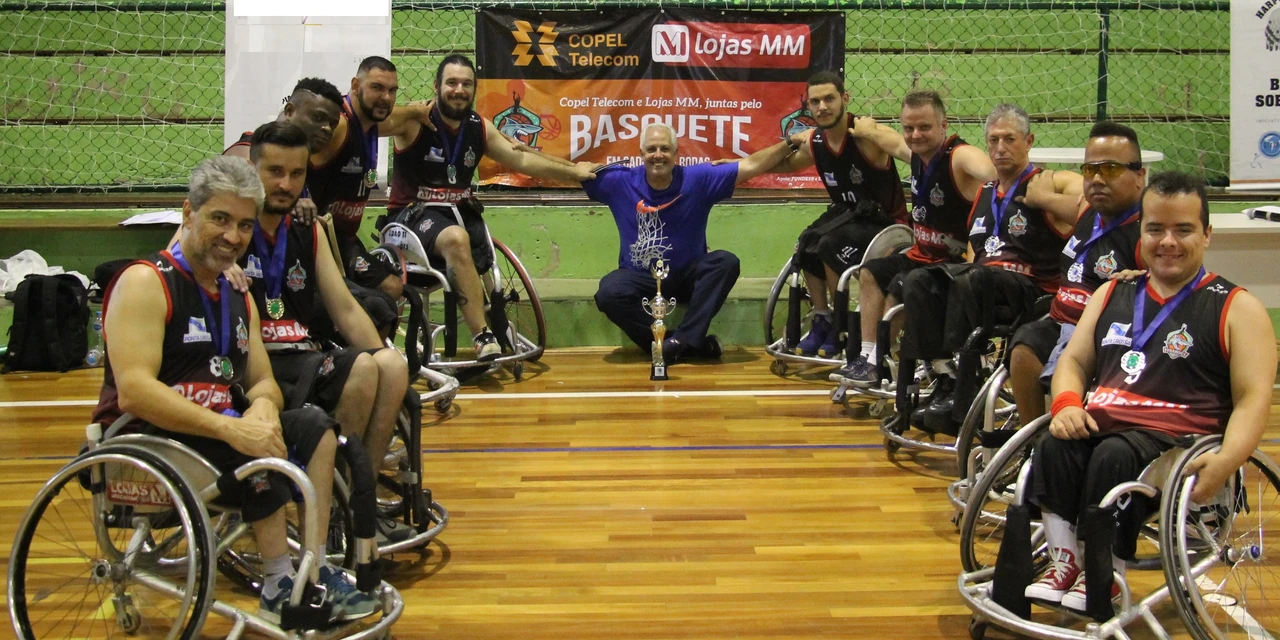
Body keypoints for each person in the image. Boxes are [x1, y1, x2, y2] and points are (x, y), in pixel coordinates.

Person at [91, 156, 378, 624]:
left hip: (214, 437)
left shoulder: (237, 293)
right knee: (255, 452)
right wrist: (232, 430)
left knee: (316, 428)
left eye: (245, 225)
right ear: (189, 213)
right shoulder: (146, 281)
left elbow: (262, 381)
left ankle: (315, 567)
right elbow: (135, 392)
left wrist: (262, 409)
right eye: (220, 219)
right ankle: (279, 584)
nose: (233, 236)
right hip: (148, 442)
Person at [1022, 171, 1275, 611]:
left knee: (1113, 455)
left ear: (1207, 234)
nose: (1168, 242)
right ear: (1141, 233)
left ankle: (1106, 571)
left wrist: (1226, 462)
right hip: (1104, 424)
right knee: (1054, 445)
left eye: (1183, 230)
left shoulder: (1238, 307)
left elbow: (1254, 399)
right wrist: (1065, 404)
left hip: (1175, 442)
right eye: (1156, 229)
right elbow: (1074, 362)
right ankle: (1065, 562)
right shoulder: (1111, 292)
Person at [240, 121, 412, 543]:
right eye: (275, 172)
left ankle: (356, 501)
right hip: (255, 364)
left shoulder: (307, 228)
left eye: (296, 174)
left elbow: (346, 309)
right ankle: (332, 510)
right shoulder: (232, 227)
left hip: (303, 355)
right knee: (362, 369)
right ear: (251, 170)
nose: (286, 184)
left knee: (390, 364)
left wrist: (383, 356)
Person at [387, 54, 596, 361]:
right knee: (457, 237)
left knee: (470, 237)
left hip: (458, 214)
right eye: (451, 83)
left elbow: (522, 158)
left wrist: (574, 173)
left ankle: (496, 321)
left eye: (466, 84)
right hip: (410, 218)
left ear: (474, 88)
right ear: (436, 86)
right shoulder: (414, 122)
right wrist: (411, 109)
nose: (459, 90)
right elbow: (376, 122)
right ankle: (482, 336)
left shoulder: (478, 127)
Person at [896, 103, 1082, 434]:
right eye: (993, 140)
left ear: (1029, 141)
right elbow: (974, 251)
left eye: (1009, 139)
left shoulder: (1049, 182)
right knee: (920, 279)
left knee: (973, 278)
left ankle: (964, 394)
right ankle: (944, 379)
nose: (1000, 148)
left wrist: (1045, 200)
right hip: (982, 283)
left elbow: (1093, 209)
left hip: (1032, 289)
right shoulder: (984, 192)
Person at [586, 122, 800, 364]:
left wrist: (790, 142)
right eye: (652, 149)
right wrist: (576, 170)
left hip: (686, 276)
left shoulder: (698, 178)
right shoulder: (619, 181)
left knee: (725, 262)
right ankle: (683, 344)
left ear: (676, 154)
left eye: (665, 149)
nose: (658, 155)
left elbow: (753, 164)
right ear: (641, 153)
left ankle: (679, 342)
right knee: (608, 292)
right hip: (640, 277)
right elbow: (569, 173)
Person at [836, 90, 997, 384]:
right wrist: (865, 129)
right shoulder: (916, 156)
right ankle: (868, 356)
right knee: (870, 272)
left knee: (899, 286)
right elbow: (890, 140)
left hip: (950, 264)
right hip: (920, 254)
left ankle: (882, 358)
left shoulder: (958, 156)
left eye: (924, 127)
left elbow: (991, 171)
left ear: (943, 125)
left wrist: (1005, 181)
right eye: (909, 127)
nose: (915, 134)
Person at [757, 70, 908, 358]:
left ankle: (841, 324)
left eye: (829, 99)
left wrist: (872, 132)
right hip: (849, 218)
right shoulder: (817, 142)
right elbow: (782, 165)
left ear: (845, 99)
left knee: (829, 244)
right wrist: (736, 169)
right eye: (815, 101)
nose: (823, 106)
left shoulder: (866, 136)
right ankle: (823, 318)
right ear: (808, 106)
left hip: (887, 224)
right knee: (807, 242)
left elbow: (906, 150)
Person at [1008, 121, 1148, 426]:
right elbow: (1047, 197)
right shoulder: (1087, 211)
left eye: (1110, 169)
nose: (1097, 179)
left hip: (1101, 338)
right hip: (1058, 320)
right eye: (1090, 169)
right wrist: (1038, 197)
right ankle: (1031, 440)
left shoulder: (1146, 234)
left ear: (1140, 176)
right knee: (1023, 348)